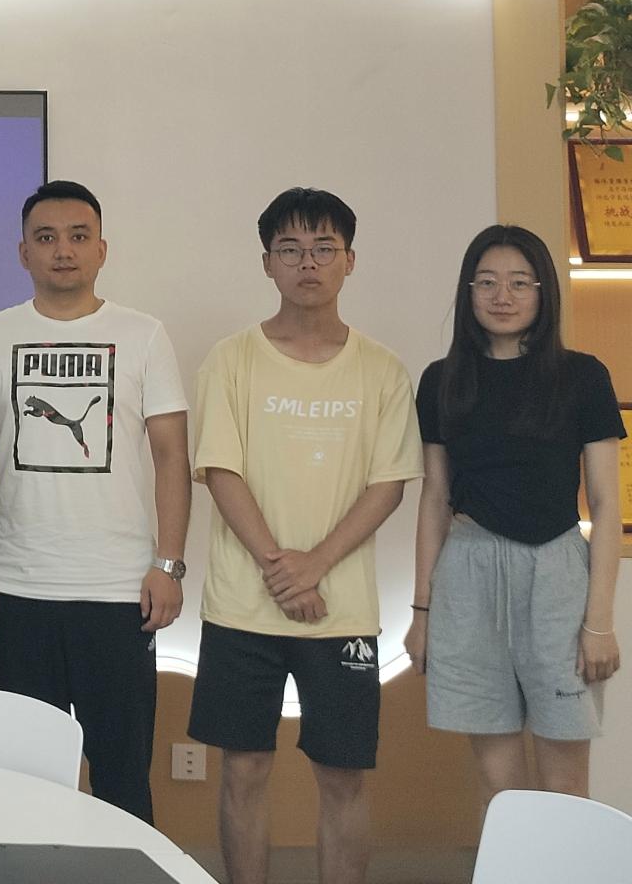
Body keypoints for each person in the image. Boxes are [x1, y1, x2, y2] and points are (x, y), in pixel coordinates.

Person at [187, 187, 421, 884]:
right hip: (241, 608)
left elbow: (388, 485)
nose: (308, 263)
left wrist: (314, 565)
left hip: (341, 613)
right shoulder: (231, 359)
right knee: (244, 770)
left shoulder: (382, 369)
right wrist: (281, 570)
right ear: (267, 262)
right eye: (290, 249)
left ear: (350, 260)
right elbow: (221, 470)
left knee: (343, 778)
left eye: (324, 248)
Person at [0, 179, 190, 824]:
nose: (63, 250)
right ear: (23, 252)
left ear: (101, 250)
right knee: (28, 778)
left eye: (78, 236)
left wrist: (168, 564)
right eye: (47, 237)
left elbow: (172, 456)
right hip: (17, 588)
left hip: (119, 592)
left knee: (121, 775)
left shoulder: (143, 335)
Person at [405, 224, 622, 802]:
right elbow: (434, 496)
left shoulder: (583, 375)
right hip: (467, 573)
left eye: (520, 283)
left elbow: (606, 502)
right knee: (499, 783)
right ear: (469, 291)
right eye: (488, 282)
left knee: (564, 780)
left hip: (557, 571)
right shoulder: (441, 379)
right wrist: (422, 612)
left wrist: (599, 621)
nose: (503, 296)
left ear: (543, 291)